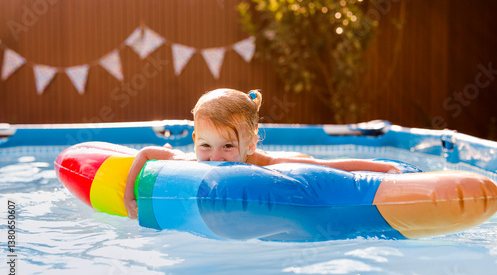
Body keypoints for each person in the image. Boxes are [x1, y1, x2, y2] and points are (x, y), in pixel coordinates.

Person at [124, 88, 400, 218]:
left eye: (228, 146)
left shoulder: (267, 162)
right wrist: (129, 197)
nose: (216, 158)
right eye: (205, 146)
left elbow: (328, 165)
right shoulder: (195, 161)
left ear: (251, 144)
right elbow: (147, 154)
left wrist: (383, 169)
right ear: (195, 140)